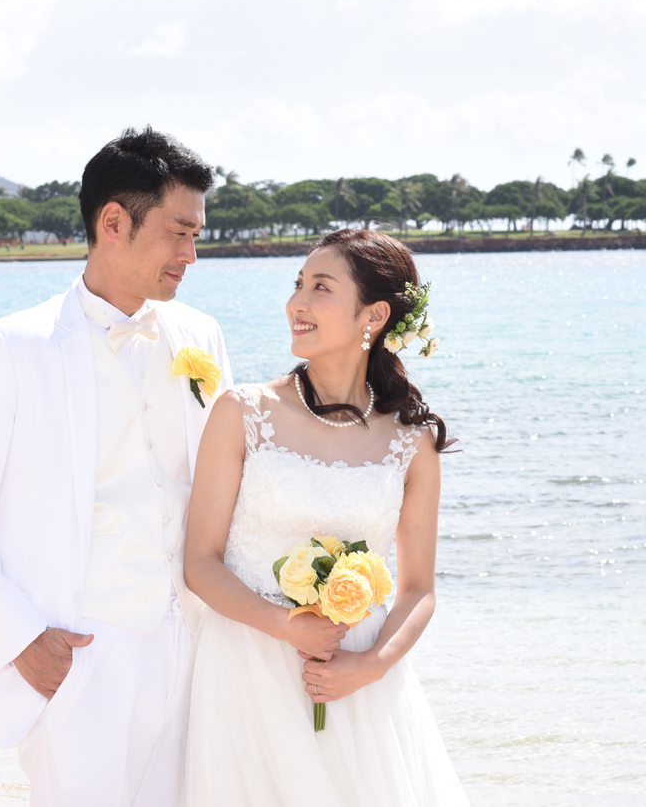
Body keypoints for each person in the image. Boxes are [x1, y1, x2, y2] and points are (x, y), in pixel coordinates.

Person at [0, 127, 230, 807]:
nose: (192, 254)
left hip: (190, 644)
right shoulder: (14, 347)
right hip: (81, 652)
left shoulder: (200, 336)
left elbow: (222, 487)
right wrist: (21, 637)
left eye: (197, 235)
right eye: (180, 233)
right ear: (113, 222)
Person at [183, 229, 467, 805]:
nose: (297, 303)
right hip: (249, 663)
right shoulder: (242, 412)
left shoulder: (412, 443)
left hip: (354, 674)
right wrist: (283, 625)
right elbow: (200, 563)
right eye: (297, 285)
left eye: (321, 287)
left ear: (375, 315)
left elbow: (417, 589)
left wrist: (371, 665)